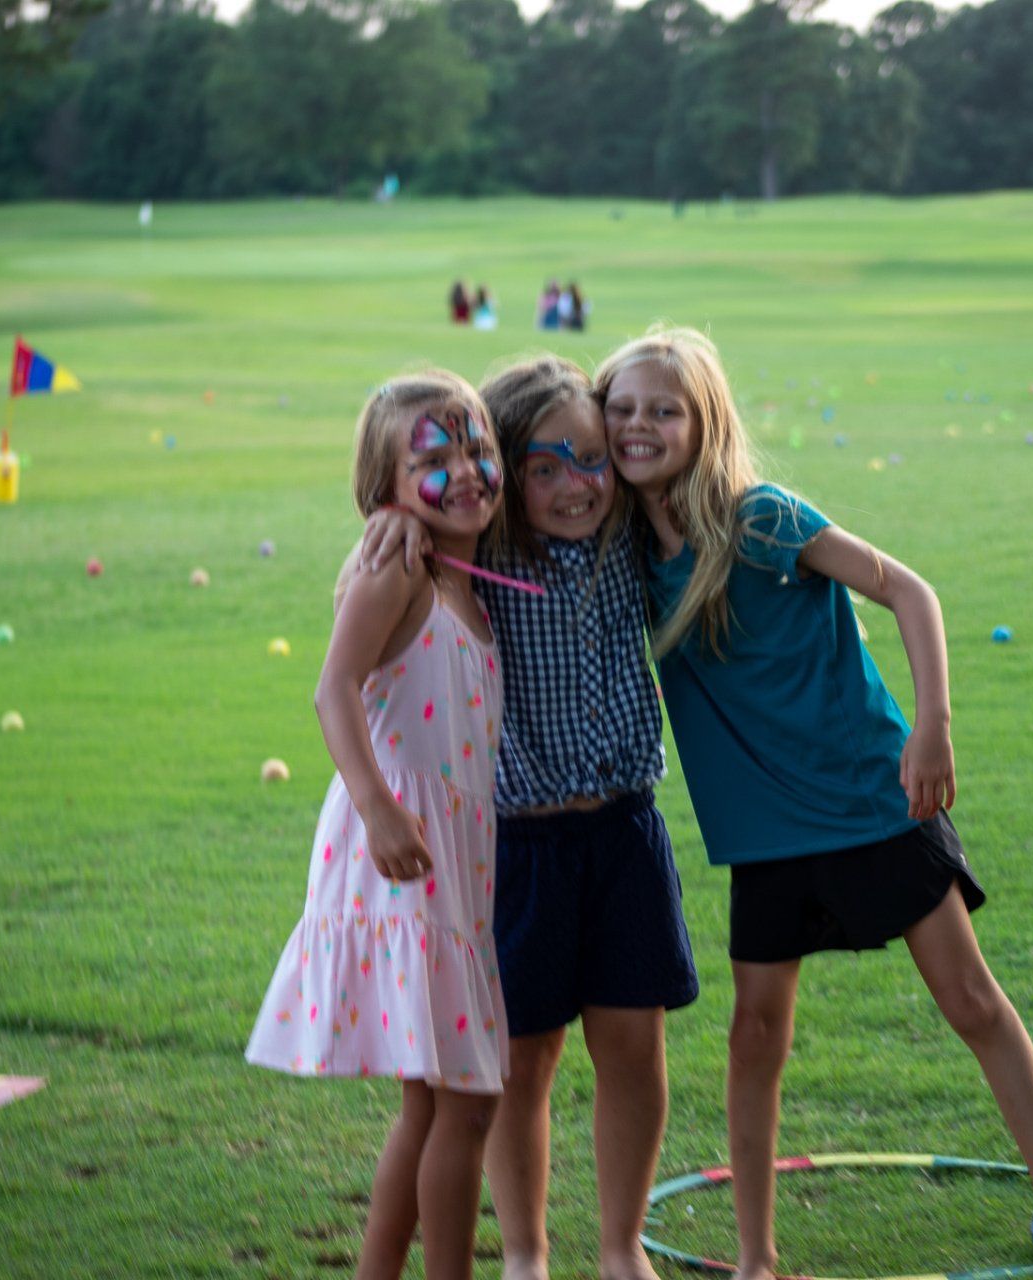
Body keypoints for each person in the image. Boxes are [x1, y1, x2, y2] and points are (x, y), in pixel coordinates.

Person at [595, 326, 1033, 1280]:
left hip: (871, 800)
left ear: (703, 422)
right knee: (755, 1036)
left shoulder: (762, 519)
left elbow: (909, 591)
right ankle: (757, 1257)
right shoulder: (621, 549)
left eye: (663, 410)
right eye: (621, 410)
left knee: (971, 1001)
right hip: (763, 835)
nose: (639, 426)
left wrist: (934, 726)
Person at [358, 356, 699, 1280]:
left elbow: (681, 468)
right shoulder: (476, 554)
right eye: (543, 466)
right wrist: (394, 515)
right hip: (518, 847)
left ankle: (621, 1247)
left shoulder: (631, 532)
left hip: (625, 833)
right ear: (509, 470)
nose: (574, 485)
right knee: (520, 1060)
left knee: (634, 1049)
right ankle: (525, 1254)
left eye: (591, 460)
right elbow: (416, 512)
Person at [246, 369, 510, 1280]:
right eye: (433, 459)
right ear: (386, 490)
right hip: (400, 850)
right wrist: (377, 806)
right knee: (466, 1101)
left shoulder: (470, 576)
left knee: (436, 1106)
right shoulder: (399, 568)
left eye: (477, 448)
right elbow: (334, 689)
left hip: (456, 860)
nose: (465, 470)